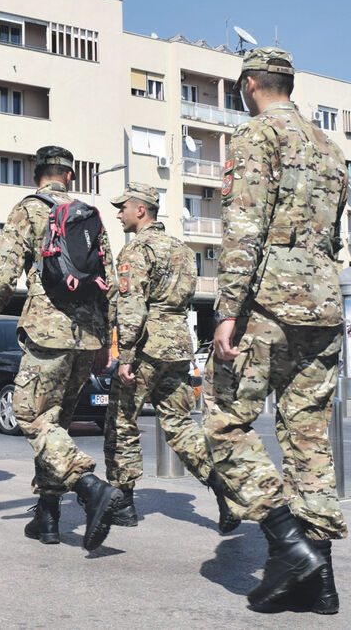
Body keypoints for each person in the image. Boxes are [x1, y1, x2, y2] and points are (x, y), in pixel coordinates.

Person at [201, 47, 349, 613]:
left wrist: (227, 310)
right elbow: (332, 236)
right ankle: (320, 583)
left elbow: (244, 227)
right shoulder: (329, 146)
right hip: (324, 301)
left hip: (268, 303)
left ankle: (287, 542)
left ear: (250, 82)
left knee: (223, 422)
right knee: (309, 438)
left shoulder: (257, 135)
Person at [0, 145, 122, 551]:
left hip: (47, 333)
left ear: (34, 172)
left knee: (30, 414)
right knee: (55, 423)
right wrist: (108, 340)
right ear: (70, 176)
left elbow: (1, 275)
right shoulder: (89, 216)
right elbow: (109, 282)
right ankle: (48, 517)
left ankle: (89, 487)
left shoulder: (29, 209)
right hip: (86, 337)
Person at [105, 183, 239, 533]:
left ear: (141, 210)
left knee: (121, 422)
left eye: (123, 207)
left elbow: (132, 306)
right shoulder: (182, 249)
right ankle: (222, 487)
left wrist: (126, 356)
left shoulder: (136, 251)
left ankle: (123, 503)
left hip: (147, 345)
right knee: (179, 424)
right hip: (178, 345)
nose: (118, 213)